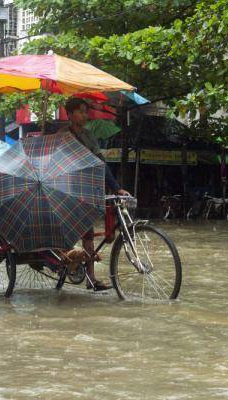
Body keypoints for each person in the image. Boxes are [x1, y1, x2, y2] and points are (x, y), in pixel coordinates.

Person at [56, 97, 130, 291]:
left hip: (85, 190)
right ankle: (65, 258)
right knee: (67, 233)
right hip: (64, 189)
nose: (85, 115)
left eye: (85, 111)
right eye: (80, 112)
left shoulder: (89, 136)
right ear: (70, 115)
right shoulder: (62, 136)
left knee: (88, 235)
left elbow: (100, 163)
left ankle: (91, 279)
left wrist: (116, 187)